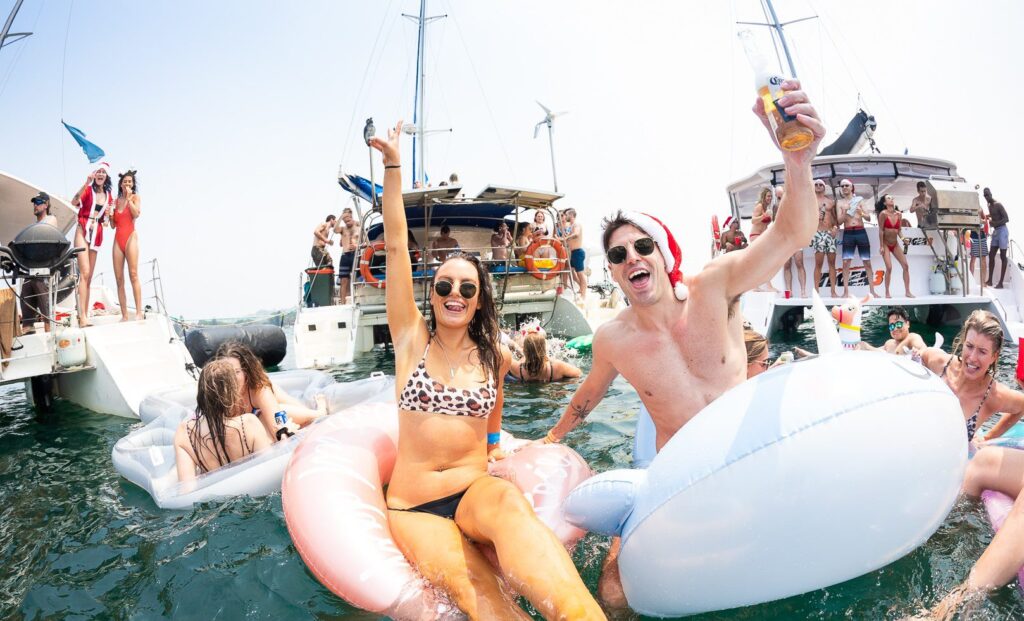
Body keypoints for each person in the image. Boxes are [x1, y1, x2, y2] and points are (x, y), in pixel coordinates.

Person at [538, 79, 823, 611]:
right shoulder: (613, 339)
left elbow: (792, 234)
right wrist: (548, 439)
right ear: (616, 276)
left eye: (641, 246)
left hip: (743, 465)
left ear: (664, 255)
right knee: (614, 589)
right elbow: (587, 398)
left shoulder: (718, 287)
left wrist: (798, 163)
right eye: (618, 257)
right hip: (675, 479)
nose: (631, 260)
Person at [369, 120, 605, 620]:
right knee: (476, 588)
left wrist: (496, 449)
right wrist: (393, 164)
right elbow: (393, 246)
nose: (455, 295)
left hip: (476, 488)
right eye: (445, 287)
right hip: (415, 504)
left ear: (479, 302)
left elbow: (493, 412)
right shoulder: (411, 338)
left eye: (467, 289)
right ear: (431, 296)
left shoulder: (495, 355)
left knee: (514, 515)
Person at [920, 310, 1024, 444]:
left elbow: (1022, 406)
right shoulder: (940, 364)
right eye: (969, 346)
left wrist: (988, 437)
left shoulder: (992, 395)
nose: (972, 357)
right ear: (963, 343)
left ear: (994, 356)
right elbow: (923, 355)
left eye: (982, 351)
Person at [174, 359, 274, 481]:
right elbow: (269, 471)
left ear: (201, 393)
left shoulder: (184, 432)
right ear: (232, 392)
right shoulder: (249, 423)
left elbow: (186, 488)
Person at [216, 341, 326, 440]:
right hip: (255, 417)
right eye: (226, 373)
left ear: (245, 371)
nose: (231, 379)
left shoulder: (258, 389)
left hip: (270, 397)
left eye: (236, 372)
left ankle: (319, 413)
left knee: (282, 412)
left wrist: (284, 432)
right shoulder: (216, 391)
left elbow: (278, 421)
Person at [71, 162, 114, 327]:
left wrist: (109, 216)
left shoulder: (109, 196)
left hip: (96, 233)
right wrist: (85, 183)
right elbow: (75, 202)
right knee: (85, 272)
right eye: (98, 171)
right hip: (83, 229)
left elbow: (107, 221)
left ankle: (85, 314)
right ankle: (82, 317)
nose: (101, 174)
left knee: (88, 278)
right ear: (94, 174)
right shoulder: (88, 189)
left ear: (106, 176)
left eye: (103, 172)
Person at [19, 193, 58, 333]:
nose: (35, 205)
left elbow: (45, 232)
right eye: (34, 202)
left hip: (46, 267)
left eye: (39, 202)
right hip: (34, 267)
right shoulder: (34, 226)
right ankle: (28, 327)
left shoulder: (51, 219)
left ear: (46, 204)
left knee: (38, 282)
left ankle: (49, 329)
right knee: (26, 288)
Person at [109, 170, 144, 321]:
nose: (127, 183)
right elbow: (112, 225)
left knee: (133, 274)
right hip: (118, 239)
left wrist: (129, 199)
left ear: (133, 184)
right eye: (125, 181)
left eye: (130, 181)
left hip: (131, 237)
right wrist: (110, 214)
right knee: (119, 278)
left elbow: (136, 214)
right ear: (120, 184)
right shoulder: (116, 201)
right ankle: (124, 315)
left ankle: (138, 312)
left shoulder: (135, 198)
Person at [837, 179, 879, 298]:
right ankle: (845, 292)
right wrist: (844, 212)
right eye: (843, 186)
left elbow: (869, 218)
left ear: (852, 187)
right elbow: (838, 221)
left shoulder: (859, 200)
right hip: (848, 233)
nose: (845, 187)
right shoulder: (840, 203)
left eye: (847, 185)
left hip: (861, 232)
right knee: (846, 263)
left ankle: (872, 291)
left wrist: (861, 213)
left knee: (867, 262)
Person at [877, 195, 914, 298]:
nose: (891, 199)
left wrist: (903, 239)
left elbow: (899, 231)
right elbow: (881, 230)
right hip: (885, 244)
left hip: (895, 244)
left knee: (906, 266)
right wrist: (881, 246)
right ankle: (887, 292)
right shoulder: (883, 214)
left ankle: (907, 291)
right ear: (885, 203)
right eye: (888, 198)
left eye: (892, 198)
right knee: (889, 267)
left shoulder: (899, 214)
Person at [510, 332, 582, 382]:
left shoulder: (516, 368)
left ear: (525, 351)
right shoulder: (557, 366)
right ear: (544, 349)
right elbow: (579, 374)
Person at [810, 179, 839, 297]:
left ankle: (833, 291)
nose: (818, 186)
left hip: (829, 234)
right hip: (818, 233)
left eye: (820, 184)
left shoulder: (830, 202)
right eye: (816, 184)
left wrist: (835, 228)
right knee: (818, 264)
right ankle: (816, 292)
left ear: (824, 187)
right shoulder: (810, 202)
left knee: (832, 264)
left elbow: (835, 219)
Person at [779, 186, 808, 297]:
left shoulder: (797, 205)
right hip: (784, 240)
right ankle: (789, 291)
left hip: (796, 238)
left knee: (799, 263)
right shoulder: (778, 206)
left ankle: (803, 291)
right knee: (786, 265)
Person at [984, 187, 1010, 289]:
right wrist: (988, 216)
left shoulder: (998, 204)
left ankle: (1001, 283)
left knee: (1003, 256)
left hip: (1003, 231)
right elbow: (995, 215)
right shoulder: (989, 205)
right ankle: (990, 280)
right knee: (991, 255)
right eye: (985, 195)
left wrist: (994, 223)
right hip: (995, 232)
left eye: (987, 194)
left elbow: (1006, 218)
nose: (986, 197)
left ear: (991, 194)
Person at [335, 207, 361, 303]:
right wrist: (341, 217)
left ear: (351, 216)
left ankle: (359, 300)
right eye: (345, 221)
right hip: (345, 256)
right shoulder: (342, 229)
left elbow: (367, 243)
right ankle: (342, 302)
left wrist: (357, 246)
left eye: (348, 220)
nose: (347, 222)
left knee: (358, 278)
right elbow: (335, 230)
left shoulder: (359, 226)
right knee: (343, 281)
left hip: (356, 254)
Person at [561, 208, 588, 301]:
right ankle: (575, 288)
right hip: (573, 253)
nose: (565, 216)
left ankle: (584, 294)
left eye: (567, 215)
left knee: (580, 273)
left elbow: (576, 234)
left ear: (571, 215)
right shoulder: (571, 225)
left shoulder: (576, 224)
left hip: (578, 252)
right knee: (568, 267)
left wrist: (566, 238)